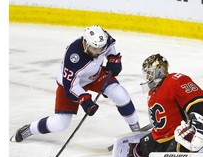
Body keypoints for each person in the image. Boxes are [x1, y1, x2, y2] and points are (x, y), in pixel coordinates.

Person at [10, 25, 140, 142]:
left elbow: (109, 47)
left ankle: (137, 130)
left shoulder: (101, 39)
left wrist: (113, 58)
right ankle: (29, 129)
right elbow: (71, 86)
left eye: (100, 48)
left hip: (94, 76)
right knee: (60, 124)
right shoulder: (73, 58)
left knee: (120, 94)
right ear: (85, 44)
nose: (99, 52)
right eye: (95, 49)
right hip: (71, 85)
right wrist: (84, 100)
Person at [128, 54, 203, 157]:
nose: (147, 77)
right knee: (138, 149)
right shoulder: (152, 92)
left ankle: (186, 151)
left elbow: (201, 102)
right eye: (146, 74)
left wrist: (198, 127)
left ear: (160, 70)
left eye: (150, 73)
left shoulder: (175, 80)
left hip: (178, 136)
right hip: (160, 138)